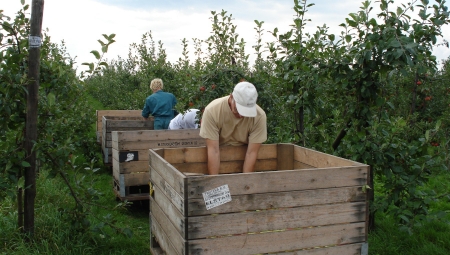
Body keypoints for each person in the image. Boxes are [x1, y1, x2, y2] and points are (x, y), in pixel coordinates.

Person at [199, 81, 267, 175]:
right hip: (219, 152)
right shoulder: (212, 111)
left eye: (246, 112)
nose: (241, 115)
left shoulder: (259, 116)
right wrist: (214, 182)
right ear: (231, 97)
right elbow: (214, 150)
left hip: (243, 156)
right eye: (238, 109)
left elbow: (251, 153)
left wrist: (245, 182)